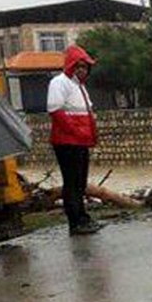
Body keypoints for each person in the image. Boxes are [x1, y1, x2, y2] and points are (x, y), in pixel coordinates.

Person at [47, 45, 102, 236]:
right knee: (72, 182)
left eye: (85, 67)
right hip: (67, 142)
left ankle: (83, 217)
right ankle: (75, 222)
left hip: (80, 141)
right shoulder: (59, 82)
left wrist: (90, 136)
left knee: (80, 182)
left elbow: (86, 113)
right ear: (70, 66)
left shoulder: (79, 87)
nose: (82, 70)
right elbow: (56, 111)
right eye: (78, 66)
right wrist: (77, 133)